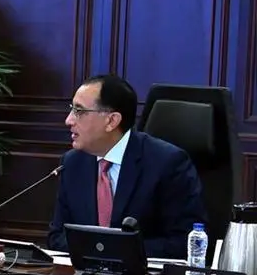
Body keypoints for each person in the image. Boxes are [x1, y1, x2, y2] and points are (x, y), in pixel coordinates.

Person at [46, 74, 206, 258]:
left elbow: (185, 242)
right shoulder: (72, 163)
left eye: (79, 111)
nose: (69, 120)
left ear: (111, 121)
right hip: (83, 273)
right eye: (72, 109)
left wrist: (113, 251)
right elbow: (57, 237)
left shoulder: (168, 163)